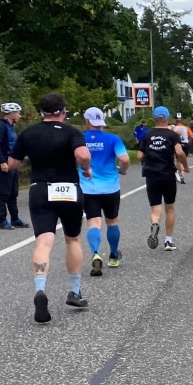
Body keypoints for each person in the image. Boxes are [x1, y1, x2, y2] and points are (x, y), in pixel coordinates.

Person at [7, 92, 92, 323]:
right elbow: (82, 154)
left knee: (43, 242)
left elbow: (12, 163)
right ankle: (75, 291)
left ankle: (40, 289)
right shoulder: (71, 132)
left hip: (41, 189)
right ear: (63, 111)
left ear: (40, 112)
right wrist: (85, 168)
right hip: (69, 189)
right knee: (72, 239)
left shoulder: (28, 133)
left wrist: (31, 160)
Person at [79, 107, 130, 276]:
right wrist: (123, 170)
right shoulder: (113, 139)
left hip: (88, 188)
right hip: (110, 187)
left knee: (93, 222)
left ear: (87, 121)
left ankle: (95, 253)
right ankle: (113, 255)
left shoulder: (79, 139)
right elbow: (124, 159)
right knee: (112, 221)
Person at [138, 106, 189, 251]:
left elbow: (140, 155)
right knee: (170, 207)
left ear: (154, 119)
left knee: (155, 208)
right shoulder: (172, 135)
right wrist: (185, 166)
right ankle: (168, 240)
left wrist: (149, 156)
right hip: (167, 174)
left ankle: (155, 224)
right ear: (167, 118)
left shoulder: (147, 135)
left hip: (151, 174)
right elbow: (180, 153)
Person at [0, 103, 30, 230]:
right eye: (17, 113)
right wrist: (2, 161)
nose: (19, 116)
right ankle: (2, 220)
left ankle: (15, 218)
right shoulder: (1, 126)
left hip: (12, 164)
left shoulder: (11, 127)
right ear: (12, 114)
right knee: (4, 192)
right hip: (4, 163)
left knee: (13, 192)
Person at [172, 113, 193, 184]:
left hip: (177, 145)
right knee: (184, 159)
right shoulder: (186, 128)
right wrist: (189, 141)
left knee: (178, 160)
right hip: (185, 144)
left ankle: (180, 174)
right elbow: (192, 136)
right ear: (182, 121)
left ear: (176, 121)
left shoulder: (173, 128)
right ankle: (182, 175)